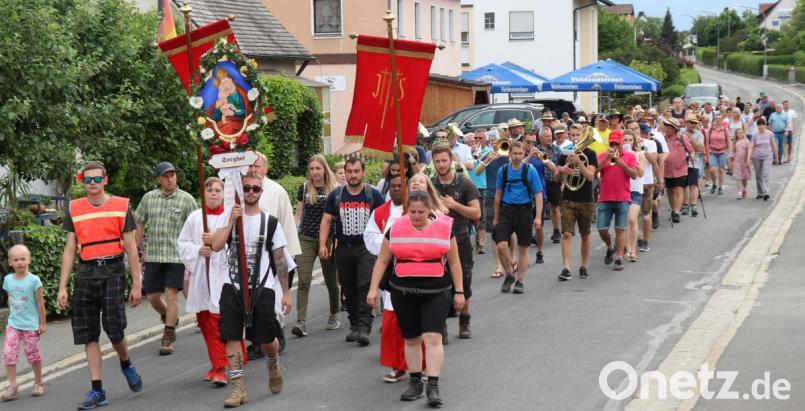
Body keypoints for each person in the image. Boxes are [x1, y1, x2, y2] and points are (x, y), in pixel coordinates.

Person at [367, 191, 466, 408]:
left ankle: (432, 384)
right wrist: (373, 289)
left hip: (436, 293)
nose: (417, 216)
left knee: (432, 337)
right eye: (412, 212)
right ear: (406, 210)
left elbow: (455, 263)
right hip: (403, 292)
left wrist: (459, 292)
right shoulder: (396, 229)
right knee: (411, 339)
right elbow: (383, 261)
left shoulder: (444, 229)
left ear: (430, 209)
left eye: (421, 212)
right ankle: (414, 382)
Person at [57, 161, 143, 409]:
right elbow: (70, 249)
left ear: (105, 180)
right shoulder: (74, 208)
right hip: (86, 273)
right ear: (82, 181)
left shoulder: (120, 206)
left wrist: (137, 284)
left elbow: (131, 248)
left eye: (97, 179)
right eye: (88, 179)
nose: (92, 184)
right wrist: (62, 287)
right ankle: (97, 390)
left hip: (113, 272)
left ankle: (126, 363)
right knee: (89, 334)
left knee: (115, 330)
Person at [209, 172, 294, 407]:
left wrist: (286, 293)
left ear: (261, 192)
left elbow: (280, 259)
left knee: (266, 338)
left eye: (255, 189)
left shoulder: (270, 222)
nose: (250, 193)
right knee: (231, 336)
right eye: (246, 188)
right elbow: (215, 245)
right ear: (240, 190)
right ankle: (238, 389)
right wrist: (229, 222)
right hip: (233, 285)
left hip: (263, 286)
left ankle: (273, 361)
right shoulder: (231, 217)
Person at [177, 177, 243, 386]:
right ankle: (217, 363)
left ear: (223, 193)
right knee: (205, 320)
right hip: (202, 277)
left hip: (222, 274)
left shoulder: (229, 216)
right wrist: (199, 250)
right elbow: (182, 243)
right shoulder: (195, 217)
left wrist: (215, 244)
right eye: (210, 190)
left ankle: (223, 366)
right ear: (204, 194)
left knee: (219, 321)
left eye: (218, 190)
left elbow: (237, 243)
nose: (214, 194)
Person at [319, 158, 385, 346]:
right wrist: (323, 244)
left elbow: (382, 220)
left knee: (364, 285)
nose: (353, 175)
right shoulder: (337, 195)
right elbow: (326, 220)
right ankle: (355, 325)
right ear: (345, 173)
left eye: (357, 171)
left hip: (366, 248)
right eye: (350, 171)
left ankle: (364, 327)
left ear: (363, 172)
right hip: (344, 249)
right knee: (348, 288)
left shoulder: (373, 194)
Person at [134, 161, 197, 355]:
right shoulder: (148, 198)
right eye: (166, 176)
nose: (170, 179)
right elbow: (139, 222)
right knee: (152, 295)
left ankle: (168, 335)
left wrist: (193, 253)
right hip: (154, 255)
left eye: (172, 175)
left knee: (171, 294)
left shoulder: (186, 200)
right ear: (159, 179)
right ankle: (167, 316)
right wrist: (138, 249)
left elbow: (195, 226)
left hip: (176, 255)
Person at [248, 151, 302, 357]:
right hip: (252, 254)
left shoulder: (277, 190)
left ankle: (274, 336)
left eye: (258, 165)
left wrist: (291, 255)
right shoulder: (242, 188)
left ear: (266, 168)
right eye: (251, 165)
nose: (254, 169)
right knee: (250, 300)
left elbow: (286, 223)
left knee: (268, 300)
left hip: (274, 252)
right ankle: (256, 342)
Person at [430, 142, 481, 340]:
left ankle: (464, 319)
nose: (441, 165)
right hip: (436, 238)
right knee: (439, 282)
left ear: (451, 160)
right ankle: (441, 324)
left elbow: (476, 212)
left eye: (444, 160)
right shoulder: (430, 184)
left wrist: (454, 205)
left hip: (459, 236)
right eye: (437, 161)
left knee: (464, 279)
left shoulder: (464, 183)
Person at [362, 174, 408, 382]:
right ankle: (397, 365)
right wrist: (392, 242)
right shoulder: (381, 213)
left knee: (416, 322)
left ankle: (423, 365)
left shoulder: (418, 209)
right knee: (392, 322)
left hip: (417, 272)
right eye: (394, 186)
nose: (397, 190)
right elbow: (370, 237)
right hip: (392, 273)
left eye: (401, 186)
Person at [292, 155, 341, 337]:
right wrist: (293, 235)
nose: (315, 172)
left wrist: (336, 241)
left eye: (318, 168)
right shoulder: (304, 188)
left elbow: (338, 217)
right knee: (303, 280)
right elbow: (298, 214)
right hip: (306, 237)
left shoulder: (335, 190)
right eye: (312, 169)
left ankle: (334, 313)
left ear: (324, 169)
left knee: (330, 279)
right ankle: (301, 322)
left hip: (328, 238)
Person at [493, 141, 544, 293]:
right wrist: (496, 216)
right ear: (510, 154)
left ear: (524, 153)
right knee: (501, 245)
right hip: (506, 210)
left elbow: (538, 194)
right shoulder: (503, 170)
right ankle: (509, 274)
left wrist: (538, 217)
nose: (517, 157)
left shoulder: (530, 170)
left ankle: (520, 281)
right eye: (514, 154)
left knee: (523, 248)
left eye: (520, 154)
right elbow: (498, 195)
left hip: (524, 211)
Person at [2, 245, 46, 400]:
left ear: (29, 260)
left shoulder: (34, 280)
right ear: (10, 262)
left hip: (31, 325)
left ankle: (38, 382)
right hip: (13, 324)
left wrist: (42, 323)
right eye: (16, 259)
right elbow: (11, 300)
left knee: (33, 355)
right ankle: (13, 386)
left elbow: (40, 303)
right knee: (8, 353)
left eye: (23, 259)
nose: (20, 262)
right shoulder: (7, 280)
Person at [554, 125, 597, 280]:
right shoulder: (564, 153)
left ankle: (583, 266)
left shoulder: (590, 154)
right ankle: (566, 268)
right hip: (568, 198)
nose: (575, 137)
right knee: (566, 234)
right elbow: (556, 178)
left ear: (583, 135)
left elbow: (590, 177)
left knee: (585, 234)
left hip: (585, 199)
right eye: (572, 135)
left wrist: (579, 162)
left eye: (578, 134)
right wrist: (562, 170)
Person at [596, 130, 640, 271]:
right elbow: (595, 170)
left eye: (616, 143)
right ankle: (610, 246)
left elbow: (634, 175)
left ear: (621, 143)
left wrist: (622, 163)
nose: (614, 145)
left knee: (620, 229)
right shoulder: (603, 155)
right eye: (612, 143)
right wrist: (606, 158)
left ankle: (619, 257)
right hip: (605, 197)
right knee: (602, 228)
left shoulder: (630, 156)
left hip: (622, 198)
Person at [474, 144, 509, 279]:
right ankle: (499, 266)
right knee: (495, 232)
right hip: (491, 195)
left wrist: (507, 155)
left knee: (509, 232)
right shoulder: (488, 154)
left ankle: (511, 257)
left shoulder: (509, 155)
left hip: (507, 195)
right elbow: (477, 172)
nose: (498, 145)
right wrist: (488, 159)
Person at [662, 118, 693, 223]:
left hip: (681, 168)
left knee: (678, 189)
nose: (665, 128)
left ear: (673, 128)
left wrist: (692, 157)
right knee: (670, 190)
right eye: (665, 126)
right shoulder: (663, 139)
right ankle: (673, 208)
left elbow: (690, 150)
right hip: (666, 169)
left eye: (667, 126)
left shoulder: (682, 138)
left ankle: (677, 211)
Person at [535, 126, 562, 245]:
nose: (550, 138)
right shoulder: (535, 149)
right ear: (540, 138)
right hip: (539, 182)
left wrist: (563, 182)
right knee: (537, 209)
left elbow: (561, 166)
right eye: (547, 136)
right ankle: (536, 232)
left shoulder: (557, 149)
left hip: (553, 181)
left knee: (555, 208)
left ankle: (556, 231)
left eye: (551, 136)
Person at [622, 131, 646, 262]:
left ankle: (633, 250)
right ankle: (627, 250)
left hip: (635, 191)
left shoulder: (639, 155)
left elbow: (641, 173)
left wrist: (633, 159)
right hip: (623, 191)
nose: (627, 142)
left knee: (632, 219)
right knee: (625, 221)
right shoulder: (619, 155)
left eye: (630, 140)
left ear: (634, 142)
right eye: (625, 140)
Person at [468, 128, 492, 254]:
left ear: (485, 139)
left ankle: (481, 242)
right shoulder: (468, 150)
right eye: (475, 138)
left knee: (481, 214)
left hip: (482, 185)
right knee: (470, 215)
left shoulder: (489, 151)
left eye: (480, 138)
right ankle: (474, 238)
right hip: (469, 184)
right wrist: (471, 153)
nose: (477, 140)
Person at [679, 115, 704, 217]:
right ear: (686, 122)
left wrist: (690, 139)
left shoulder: (699, 134)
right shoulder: (680, 132)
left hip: (694, 161)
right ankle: (685, 205)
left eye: (695, 123)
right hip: (682, 161)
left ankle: (693, 205)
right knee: (684, 185)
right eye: (691, 122)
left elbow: (699, 148)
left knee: (694, 184)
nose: (693, 125)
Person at [748, 118, 778, 201]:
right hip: (756, 156)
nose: (760, 127)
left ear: (765, 125)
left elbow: (774, 145)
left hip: (767, 156)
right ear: (757, 126)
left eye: (762, 125)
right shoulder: (755, 135)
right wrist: (748, 157)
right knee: (758, 175)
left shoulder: (770, 134)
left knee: (765, 173)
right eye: (759, 125)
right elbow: (751, 146)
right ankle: (760, 192)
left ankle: (766, 192)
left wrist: (776, 157)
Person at [704, 113, 732, 196]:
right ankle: (714, 184)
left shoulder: (725, 129)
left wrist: (729, 151)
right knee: (712, 169)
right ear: (714, 120)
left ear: (722, 120)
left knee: (721, 170)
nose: (718, 120)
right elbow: (707, 141)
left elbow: (729, 140)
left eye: (720, 118)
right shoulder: (711, 129)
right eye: (717, 118)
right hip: (712, 152)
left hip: (722, 152)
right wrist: (707, 151)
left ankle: (720, 187)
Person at [731, 129, 751, 199]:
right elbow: (732, 152)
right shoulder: (735, 142)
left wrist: (748, 159)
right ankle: (739, 193)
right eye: (739, 133)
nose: (740, 134)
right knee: (738, 177)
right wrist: (731, 160)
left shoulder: (746, 141)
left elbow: (749, 151)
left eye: (741, 133)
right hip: (737, 162)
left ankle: (744, 188)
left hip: (744, 161)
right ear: (736, 134)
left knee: (744, 177)